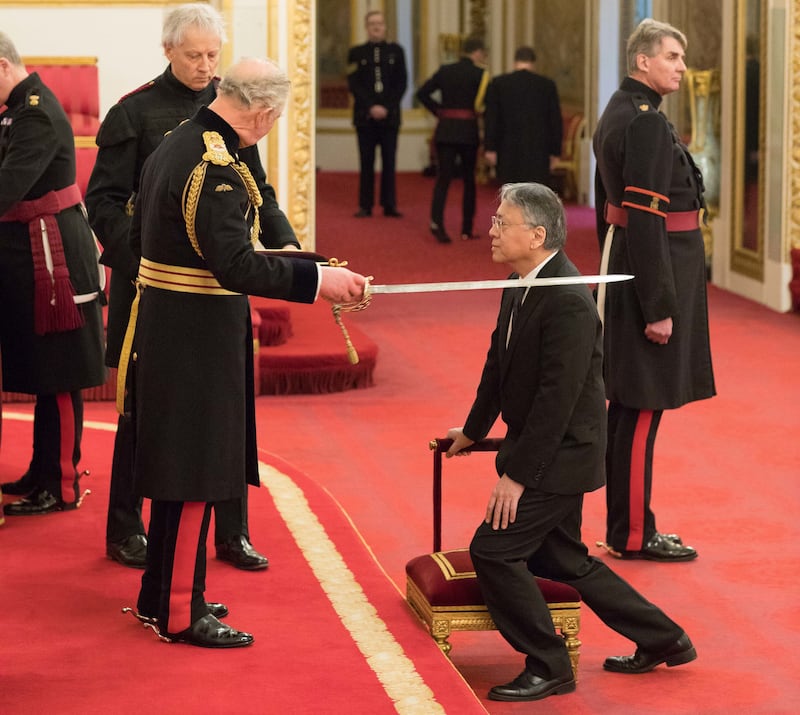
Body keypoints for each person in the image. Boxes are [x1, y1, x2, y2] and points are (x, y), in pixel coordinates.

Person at [126, 56, 367, 647]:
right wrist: (316, 285)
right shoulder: (217, 167)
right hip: (196, 336)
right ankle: (181, 611)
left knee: (177, 467)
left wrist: (309, 267)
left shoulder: (182, 139)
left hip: (172, 325)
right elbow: (232, 264)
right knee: (195, 471)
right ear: (262, 113)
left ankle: (162, 592)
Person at [445, 182, 696, 702]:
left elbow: (555, 401)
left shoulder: (567, 301)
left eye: (501, 222)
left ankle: (550, 663)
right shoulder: (522, 281)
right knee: (562, 560)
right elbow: (498, 367)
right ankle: (664, 637)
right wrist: (472, 431)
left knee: (492, 552)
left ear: (536, 234)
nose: (490, 230)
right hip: (547, 451)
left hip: (561, 456)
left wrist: (516, 477)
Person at [86, 3, 298, 570]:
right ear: (168, 51)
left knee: (226, 408)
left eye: (213, 55)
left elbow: (259, 188)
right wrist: (146, 258)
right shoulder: (134, 112)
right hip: (152, 284)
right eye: (194, 55)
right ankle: (127, 529)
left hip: (221, 282)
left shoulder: (230, 108)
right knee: (141, 411)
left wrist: (287, 243)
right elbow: (103, 202)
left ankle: (232, 531)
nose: (206, 66)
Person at [593, 19, 715, 562]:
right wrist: (658, 307)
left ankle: (627, 528)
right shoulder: (642, 123)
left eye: (681, 58)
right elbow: (643, 218)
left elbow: (614, 216)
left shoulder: (624, 110)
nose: (682, 68)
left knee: (630, 409)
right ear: (643, 61)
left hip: (632, 268)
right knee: (641, 409)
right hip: (654, 277)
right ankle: (634, 535)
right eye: (672, 57)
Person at [0, 32, 106, 515]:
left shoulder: (36, 111)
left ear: (3, 66)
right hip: (32, 249)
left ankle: (61, 483)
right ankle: (41, 471)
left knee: (60, 371)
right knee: (45, 369)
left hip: (54, 255)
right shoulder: (18, 107)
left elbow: (6, 187)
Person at [417, 36, 489, 243]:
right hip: (468, 132)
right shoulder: (480, 74)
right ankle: (467, 228)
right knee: (469, 180)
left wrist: (439, 111)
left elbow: (422, 93)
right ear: (477, 52)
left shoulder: (445, 70)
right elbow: (484, 106)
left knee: (443, 179)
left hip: (446, 130)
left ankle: (436, 222)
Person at [346, 9, 407, 218]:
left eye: (379, 23)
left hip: (390, 118)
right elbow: (353, 84)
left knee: (389, 162)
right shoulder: (356, 53)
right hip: (365, 117)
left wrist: (386, 107)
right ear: (367, 27)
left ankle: (389, 204)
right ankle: (365, 205)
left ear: (385, 27)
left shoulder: (397, 51)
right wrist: (371, 106)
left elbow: (402, 83)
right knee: (366, 162)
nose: (376, 27)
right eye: (372, 24)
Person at [483, 46, 563, 186]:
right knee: (535, 194)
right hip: (538, 150)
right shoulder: (547, 85)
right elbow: (555, 120)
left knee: (510, 194)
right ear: (533, 63)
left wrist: (490, 147)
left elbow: (491, 118)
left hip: (507, 148)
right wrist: (555, 152)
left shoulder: (499, 84)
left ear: (515, 62)